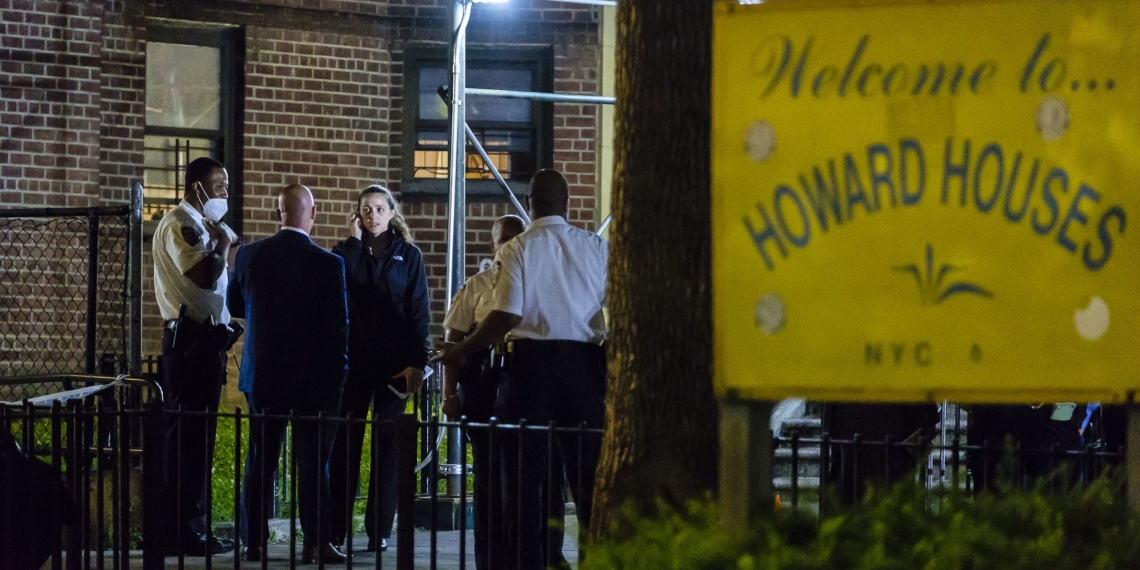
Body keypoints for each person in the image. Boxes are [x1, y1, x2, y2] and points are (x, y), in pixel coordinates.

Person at [437, 169, 608, 570]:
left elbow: (506, 315)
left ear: (529, 203)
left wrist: (459, 351)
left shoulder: (517, 248)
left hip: (532, 366)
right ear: (566, 202)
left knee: (523, 479)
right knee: (587, 480)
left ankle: (528, 562)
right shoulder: (596, 246)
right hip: (585, 363)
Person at [228, 184, 349, 564]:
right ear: (312, 213)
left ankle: (254, 542)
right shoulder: (329, 264)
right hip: (314, 379)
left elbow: (235, 303)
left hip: (263, 373)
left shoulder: (249, 255)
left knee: (261, 458)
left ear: (277, 212)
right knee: (313, 462)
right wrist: (338, 374)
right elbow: (337, 327)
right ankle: (315, 542)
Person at [442, 215, 571, 570]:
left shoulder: (539, 281)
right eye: (503, 239)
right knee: (488, 478)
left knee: (545, 474)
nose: (509, 246)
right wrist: (448, 394)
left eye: (516, 238)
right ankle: (492, 556)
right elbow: (452, 342)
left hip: (527, 382)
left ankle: (547, 552)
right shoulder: (476, 285)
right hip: (485, 385)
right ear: (493, 244)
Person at [328, 185, 430, 553]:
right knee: (345, 448)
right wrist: (354, 244)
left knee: (387, 448)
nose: (373, 216)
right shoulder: (342, 254)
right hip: (352, 365)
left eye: (379, 209)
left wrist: (418, 361)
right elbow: (344, 290)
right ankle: (336, 529)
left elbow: (419, 310)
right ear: (357, 215)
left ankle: (379, 530)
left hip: (393, 366)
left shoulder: (409, 255)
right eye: (366, 210)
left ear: (391, 213)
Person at [151, 156, 237, 555]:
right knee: (187, 437)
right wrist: (222, 242)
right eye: (218, 186)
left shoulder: (200, 226)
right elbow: (202, 274)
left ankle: (192, 525)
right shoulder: (181, 225)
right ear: (197, 187)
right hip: (189, 342)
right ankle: (180, 529)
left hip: (205, 341)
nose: (224, 193)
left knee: (198, 438)